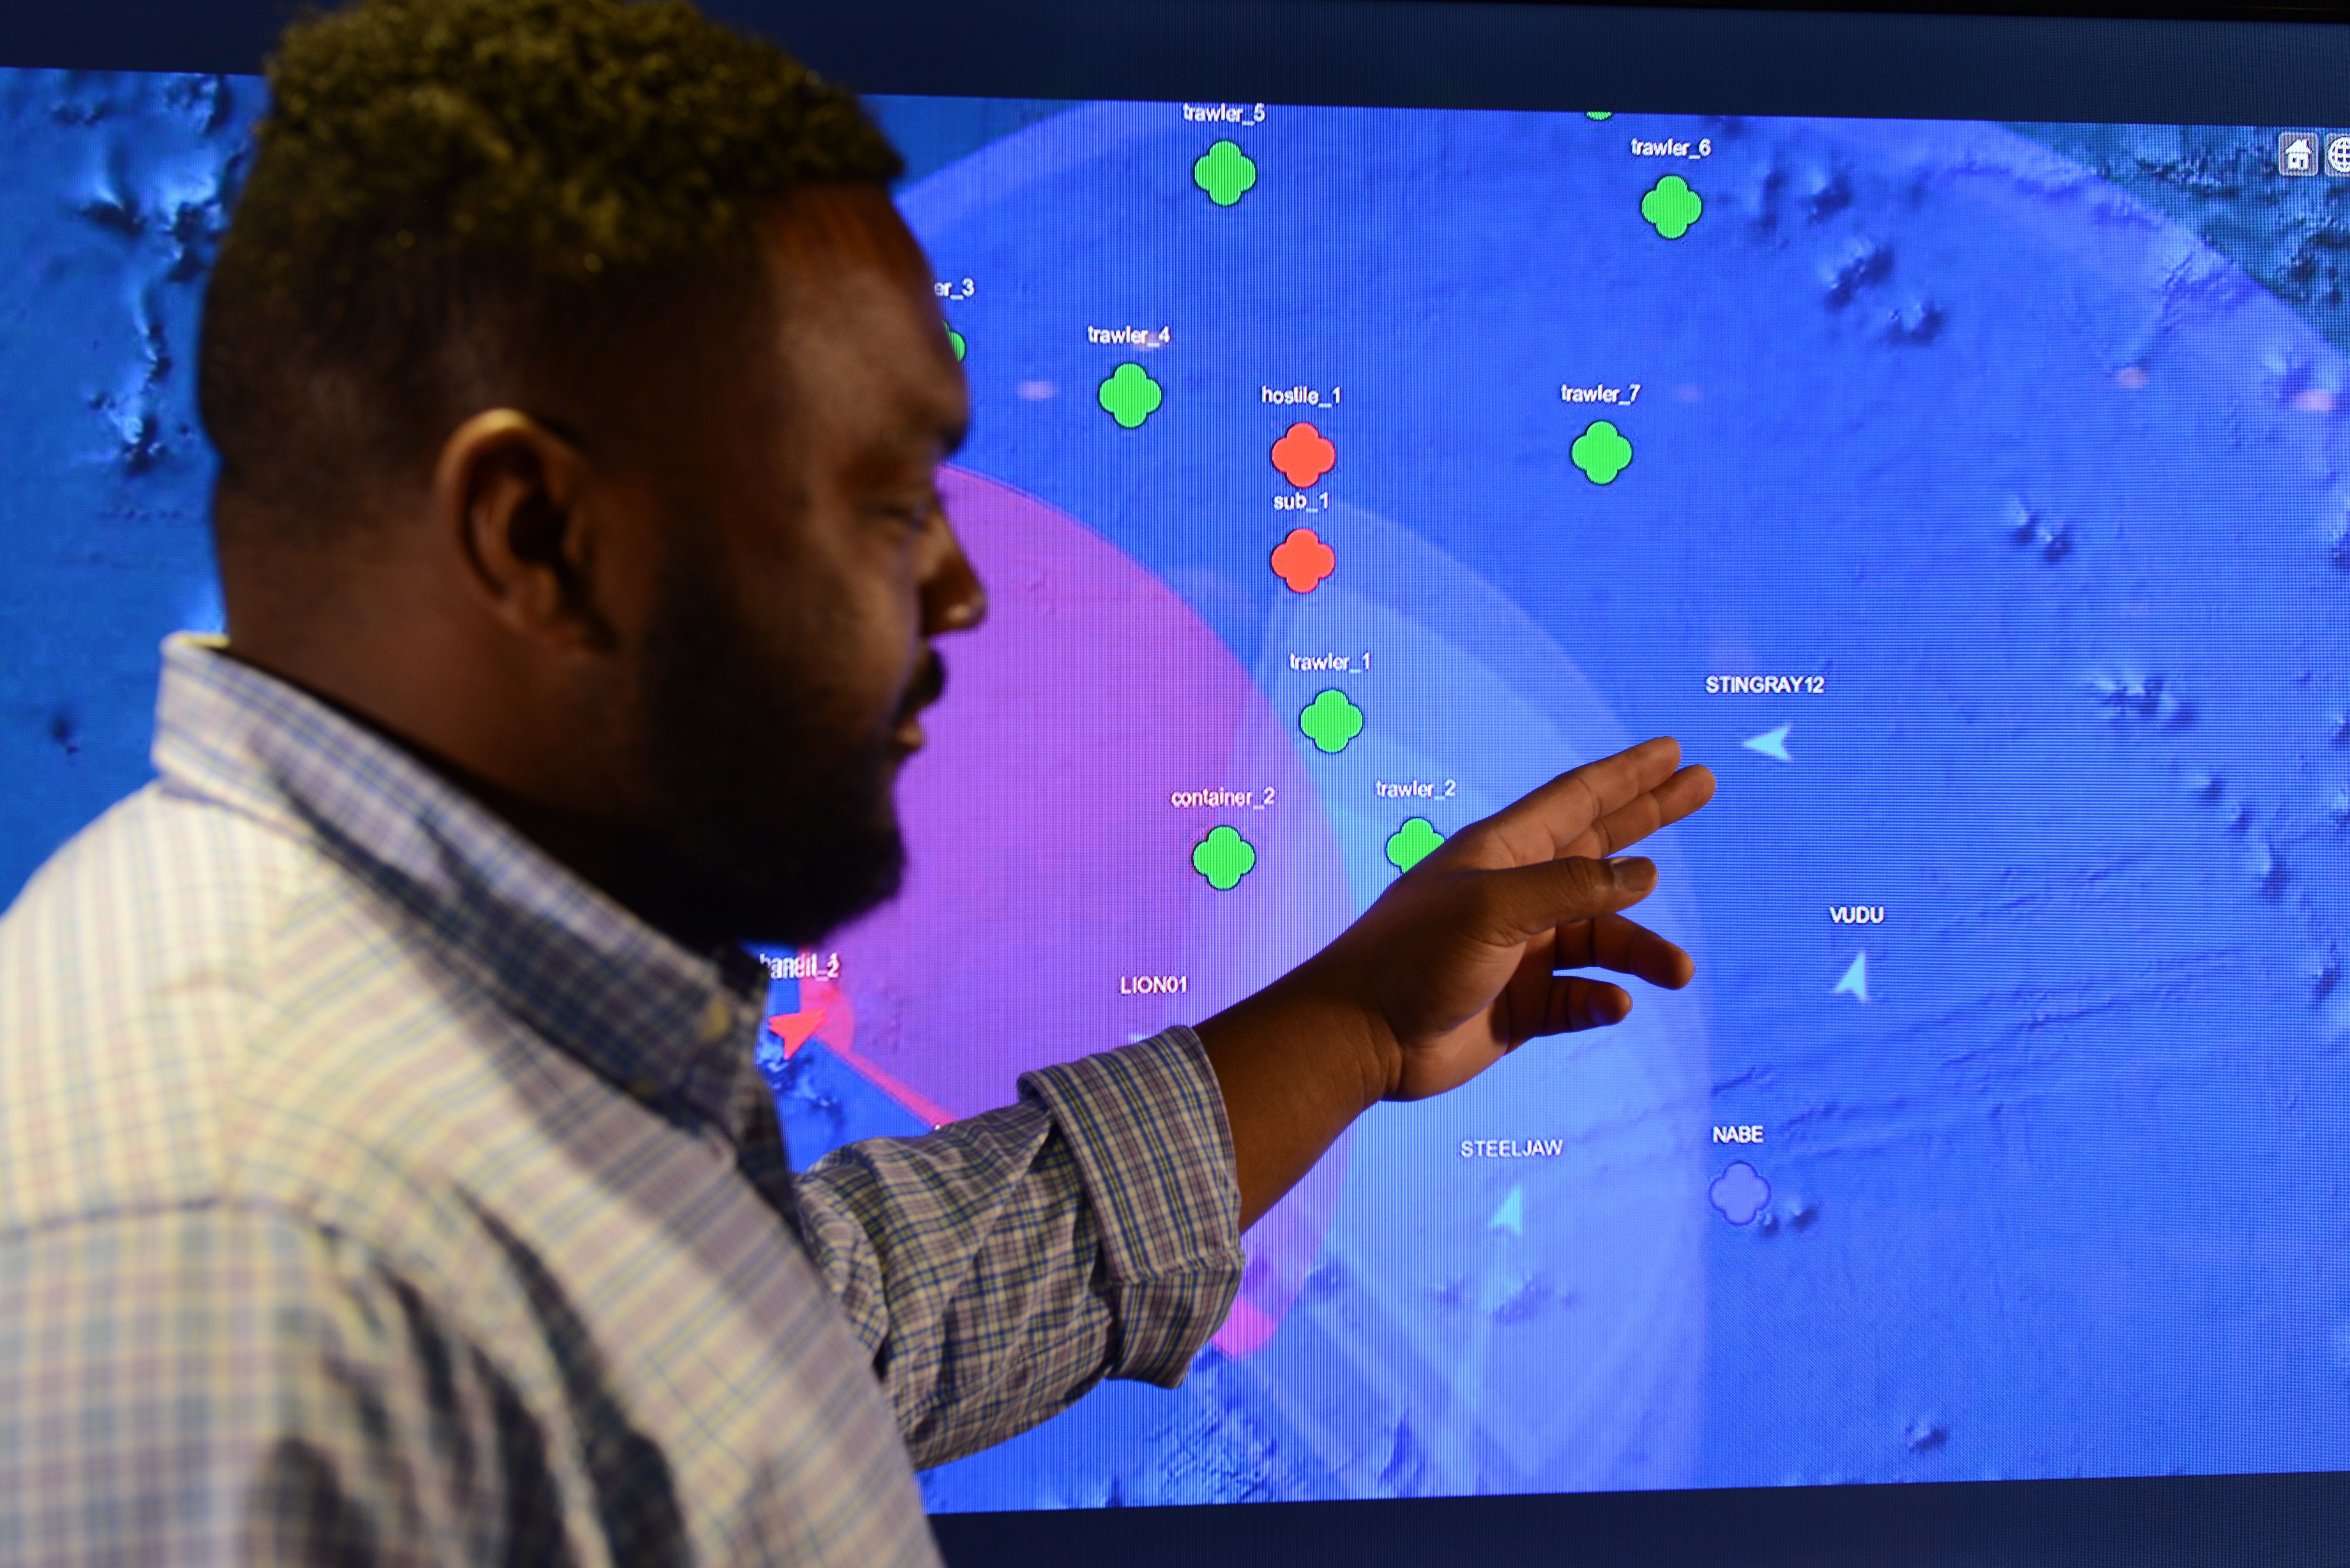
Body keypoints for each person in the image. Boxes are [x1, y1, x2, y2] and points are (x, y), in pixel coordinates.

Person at [0, 0, 1715, 1560]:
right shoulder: (250, 1253)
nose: (959, 589)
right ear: (533, 536)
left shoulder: (370, 1066)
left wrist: (1354, 1026)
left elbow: (821, 1326)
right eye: (883, 503)